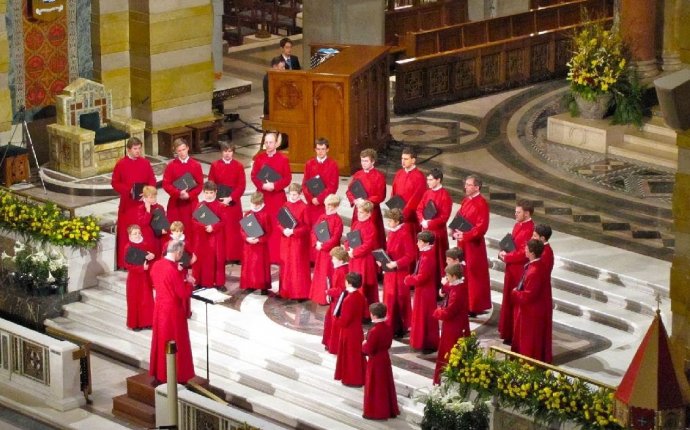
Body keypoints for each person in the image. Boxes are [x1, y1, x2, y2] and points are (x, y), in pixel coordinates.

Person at [149, 240, 195, 384]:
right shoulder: (173, 270)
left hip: (159, 308)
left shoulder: (156, 264)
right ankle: (177, 376)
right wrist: (189, 282)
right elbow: (182, 294)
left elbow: (156, 281)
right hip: (173, 312)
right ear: (177, 252)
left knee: (160, 340)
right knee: (176, 341)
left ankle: (160, 373)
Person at [111, 137, 156, 268]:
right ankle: (127, 262)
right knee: (128, 233)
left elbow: (152, 180)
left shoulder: (145, 163)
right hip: (128, 204)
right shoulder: (121, 164)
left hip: (142, 204)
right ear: (128, 149)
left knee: (143, 231)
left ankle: (143, 260)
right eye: (135, 149)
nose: (138, 151)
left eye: (139, 148)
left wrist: (147, 193)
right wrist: (129, 190)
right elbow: (115, 182)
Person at [451, 174, 491, 315]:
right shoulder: (466, 200)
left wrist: (465, 235)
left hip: (474, 245)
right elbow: (459, 215)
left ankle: (474, 305)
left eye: (468, 185)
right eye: (466, 184)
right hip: (463, 242)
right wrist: (453, 229)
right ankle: (465, 302)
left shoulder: (482, 203)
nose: (465, 187)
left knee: (474, 275)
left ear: (476, 187)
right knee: (463, 271)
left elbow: (482, 227)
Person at [250, 132, 292, 264]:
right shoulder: (259, 159)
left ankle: (276, 256)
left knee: (276, 225)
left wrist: (275, 186)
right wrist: (263, 185)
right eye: (266, 143)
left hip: (277, 197)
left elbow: (287, 178)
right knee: (262, 224)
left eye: (271, 142)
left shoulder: (283, 159)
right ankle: (263, 255)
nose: (268, 145)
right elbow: (254, 176)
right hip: (263, 197)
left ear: (276, 144)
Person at [498, 199, 535, 344]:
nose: (515, 214)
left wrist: (507, 256)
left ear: (526, 213)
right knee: (508, 299)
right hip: (511, 267)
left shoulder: (530, 229)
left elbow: (522, 253)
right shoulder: (517, 225)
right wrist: (503, 251)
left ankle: (515, 332)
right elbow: (512, 244)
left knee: (515, 301)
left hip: (519, 269)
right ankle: (507, 331)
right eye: (515, 211)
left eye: (518, 212)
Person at [511, 239, 552, 363]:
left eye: (526, 249)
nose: (524, 250)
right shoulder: (538, 265)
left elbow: (529, 295)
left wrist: (515, 293)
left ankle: (528, 361)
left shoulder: (534, 271)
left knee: (529, 339)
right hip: (535, 308)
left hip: (532, 311)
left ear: (532, 253)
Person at [379, 208, 415, 338]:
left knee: (399, 299)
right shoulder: (392, 232)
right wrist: (382, 260)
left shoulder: (405, 233)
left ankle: (400, 327)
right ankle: (389, 325)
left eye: (390, 220)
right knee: (389, 299)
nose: (388, 223)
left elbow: (410, 255)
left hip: (400, 273)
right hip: (390, 271)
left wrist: (397, 263)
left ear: (397, 221)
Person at [208, 142, 246, 264]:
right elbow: (211, 183)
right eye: (225, 151)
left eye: (230, 151)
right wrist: (216, 197)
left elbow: (241, 185)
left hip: (233, 203)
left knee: (234, 230)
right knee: (222, 230)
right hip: (220, 203)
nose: (227, 154)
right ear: (221, 152)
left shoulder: (239, 166)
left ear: (233, 152)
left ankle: (236, 256)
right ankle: (222, 256)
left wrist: (231, 198)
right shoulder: (215, 165)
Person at [432, 263, 470, 384]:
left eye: (447, 276)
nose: (446, 278)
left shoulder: (458, 292)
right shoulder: (459, 286)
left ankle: (450, 379)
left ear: (454, 276)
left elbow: (448, 312)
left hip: (454, 327)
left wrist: (437, 311)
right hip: (455, 324)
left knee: (449, 351)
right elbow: (450, 287)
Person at [162, 138, 204, 244]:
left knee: (191, 230)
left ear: (188, 148)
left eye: (183, 149)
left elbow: (200, 185)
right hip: (175, 204)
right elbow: (166, 184)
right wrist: (178, 193)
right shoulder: (171, 166)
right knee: (175, 230)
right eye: (179, 150)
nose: (182, 152)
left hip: (191, 203)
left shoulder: (196, 165)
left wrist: (189, 195)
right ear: (176, 152)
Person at [362, 302, 400, 420]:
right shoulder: (388, 327)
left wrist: (364, 344)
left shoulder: (374, 331)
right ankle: (388, 409)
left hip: (375, 361)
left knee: (375, 386)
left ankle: (375, 412)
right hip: (385, 358)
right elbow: (387, 344)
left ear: (373, 315)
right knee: (385, 385)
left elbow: (369, 349)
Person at [404, 231, 439, 353]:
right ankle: (422, 342)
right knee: (421, 316)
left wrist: (409, 279)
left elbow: (423, 277)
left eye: (419, 241)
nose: (417, 243)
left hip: (426, 291)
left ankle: (428, 342)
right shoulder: (425, 254)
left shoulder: (427, 257)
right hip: (423, 290)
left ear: (426, 243)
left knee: (425, 316)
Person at [346, 148, 387, 249]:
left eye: (366, 161)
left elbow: (380, 196)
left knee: (372, 239)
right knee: (356, 236)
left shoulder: (379, 176)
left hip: (372, 212)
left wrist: (366, 202)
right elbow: (349, 191)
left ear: (373, 161)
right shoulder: (358, 174)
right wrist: (354, 200)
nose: (363, 163)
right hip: (358, 210)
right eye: (362, 160)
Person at [416, 168, 453, 280]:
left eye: (431, 180)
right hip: (425, 229)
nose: (428, 182)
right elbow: (419, 208)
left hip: (437, 233)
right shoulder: (427, 193)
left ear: (438, 180)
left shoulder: (445, 196)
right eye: (427, 179)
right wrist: (422, 220)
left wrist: (430, 223)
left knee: (438, 260)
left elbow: (444, 217)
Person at [309, 194, 344, 305]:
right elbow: (314, 231)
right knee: (320, 273)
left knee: (327, 273)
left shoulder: (338, 220)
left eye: (331, 206)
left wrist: (323, 246)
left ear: (336, 206)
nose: (328, 208)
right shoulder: (322, 217)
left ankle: (326, 297)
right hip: (321, 251)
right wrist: (316, 243)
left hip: (330, 253)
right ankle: (318, 296)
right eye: (327, 205)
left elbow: (335, 238)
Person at [334, 272, 367, 387]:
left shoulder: (348, 300)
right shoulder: (360, 296)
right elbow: (365, 313)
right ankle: (359, 378)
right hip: (358, 330)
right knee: (357, 356)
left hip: (349, 332)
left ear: (348, 282)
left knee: (350, 357)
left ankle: (352, 379)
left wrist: (336, 320)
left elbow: (345, 321)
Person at [278, 183, 311, 300]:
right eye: (291, 194)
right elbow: (279, 222)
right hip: (286, 240)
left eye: (295, 195)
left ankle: (299, 293)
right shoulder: (285, 205)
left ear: (300, 194)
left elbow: (307, 227)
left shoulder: (304, 207)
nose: (292, 197)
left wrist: (294, 232)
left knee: (297, 266)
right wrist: (283, 230)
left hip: (298, 241)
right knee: (286, 265)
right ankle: (285, 292)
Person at [192, 181, 226, 289]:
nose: (208, 195)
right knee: (202, 259)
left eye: (211, 192)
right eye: (206, 192)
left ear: (215, 192)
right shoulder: (200, 205)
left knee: (217, 260)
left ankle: (219, 283)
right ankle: (199, 281)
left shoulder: (220, 206)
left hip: (215, 237)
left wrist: (213, 227)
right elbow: (193, 220)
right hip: (202, 237)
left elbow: (224, 221)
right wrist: (204, 226)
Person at [302, 138, 339, 235]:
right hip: (311, 205)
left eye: (323, 149)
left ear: (327, 149)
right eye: (318, 149)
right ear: (315, 149)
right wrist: (311, 198)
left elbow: (333, 186)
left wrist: (319, 199)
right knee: (310, 231)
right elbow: (305, 184)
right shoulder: (309, 164)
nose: (320, 152)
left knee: (323, 232)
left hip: (325, 205)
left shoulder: (333, 165)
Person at [346, 200, 379, 308]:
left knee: (362, 286)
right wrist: (348, 248)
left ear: (369, 214)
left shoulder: (371, 227)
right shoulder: (356, 223)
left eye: (361, 212)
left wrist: (354, 252)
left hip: (364, 261)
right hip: (354, 258)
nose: (358, 214)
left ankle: (364, 313)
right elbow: (349, 238)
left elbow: (367, 245)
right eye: (357, 212)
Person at [123, 225, 156, 330]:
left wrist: (152, 256)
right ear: (130, 235)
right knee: (135, 300)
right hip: (134, 278)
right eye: (134, 233)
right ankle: (135, 324)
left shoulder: (145, 244)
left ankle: (148, 322)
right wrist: (141, 268)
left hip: (145, 277)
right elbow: (127, 264)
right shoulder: (128, 247)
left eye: (138, 233)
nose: (137, 235)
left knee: (147, 299)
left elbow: (151, 257)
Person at [391, 147, 426, 242]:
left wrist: (403, 214)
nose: (403, 161)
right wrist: (394, 213)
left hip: (410, 218)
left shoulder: (419, 177)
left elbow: (417, 198)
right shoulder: (399, 173)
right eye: (402, 158)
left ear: (413, 160)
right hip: (398, 215)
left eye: (406, 159)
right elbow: (393, 193)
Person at [239, 192, 272, 294]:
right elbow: (242, 229)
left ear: (261, 203)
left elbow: (269, 231)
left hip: (260, 247)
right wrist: (246, 238)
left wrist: (259, 240)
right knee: (250, 266)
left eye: (257, 204)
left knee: (260, 267)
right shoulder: (248, 214)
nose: (255, 206)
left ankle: (263, 286)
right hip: (249, 246)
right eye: (253, 204)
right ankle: (250, 284)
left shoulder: (265, 215)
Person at [164, 221, 197, 319]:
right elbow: (164, 256)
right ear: (172, 232)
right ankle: (176, 311)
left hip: (183, 271)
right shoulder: (168, 244)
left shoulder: (186, 243)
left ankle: (185, 312)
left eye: (180, 231)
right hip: (173, 271)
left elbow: (191, 255)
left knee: (184, 289)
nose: (178, 233)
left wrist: (190, 262)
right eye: (176, 231)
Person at [323, 246, 349, 354]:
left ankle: (334, 346)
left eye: (334, 258)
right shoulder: (340, 269)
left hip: (339, 302)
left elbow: (341, 290)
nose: (332, 260)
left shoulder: (342, 271)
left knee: (334, 323)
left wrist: (328, 292)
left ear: (340, 260)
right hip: (336, 300)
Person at [135, 185, 167, 257]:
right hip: (148, 237)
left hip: (159, 237)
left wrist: (163, 229)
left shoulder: (160, 207)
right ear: (145, 198)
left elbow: (163, 222)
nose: (154, 199)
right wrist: (148, 210)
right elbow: (144, 223)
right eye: (151, 197)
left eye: (155, 197)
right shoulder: (141, 209)